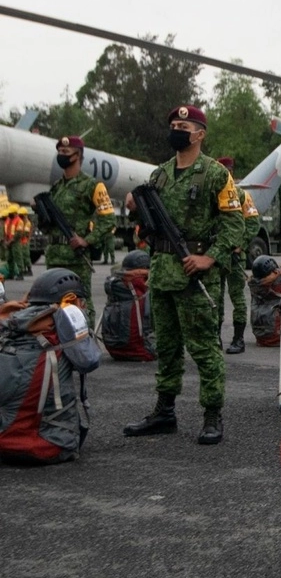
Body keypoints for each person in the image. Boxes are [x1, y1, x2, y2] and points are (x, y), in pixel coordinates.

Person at [123, 105, 244, 445]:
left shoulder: (216, 174)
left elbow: (235, 225)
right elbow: (146, 223)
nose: (176, 129)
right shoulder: (159, 175)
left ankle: (212, 414)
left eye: (184, 125)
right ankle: (164, 412)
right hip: (161, 272)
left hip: (194, 275)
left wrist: (210, 258)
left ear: (200, 134)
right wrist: (134, 207)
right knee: (167, 346)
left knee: (204, 348)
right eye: (173, 124)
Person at [44, 136, 117, 326]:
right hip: (54, 256)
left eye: (66, 153)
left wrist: (87, 240)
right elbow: (47, 225)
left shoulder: (92, 185)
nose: (61, 156)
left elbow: (108, 218)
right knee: (53, 304)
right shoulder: (56, 188)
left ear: (78, 156)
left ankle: (87, 340)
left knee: (81, 302)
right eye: (59, 152)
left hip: (76, 257)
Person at [213, 158, 261, 354]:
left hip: (234, 256)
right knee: (215, 298)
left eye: (227, 170)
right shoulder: (212, 194)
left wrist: (240, 245)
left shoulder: (241, 195)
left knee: (237, 298)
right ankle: (216, 339)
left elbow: (253, 223)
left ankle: (238, 339)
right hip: (216, 255)